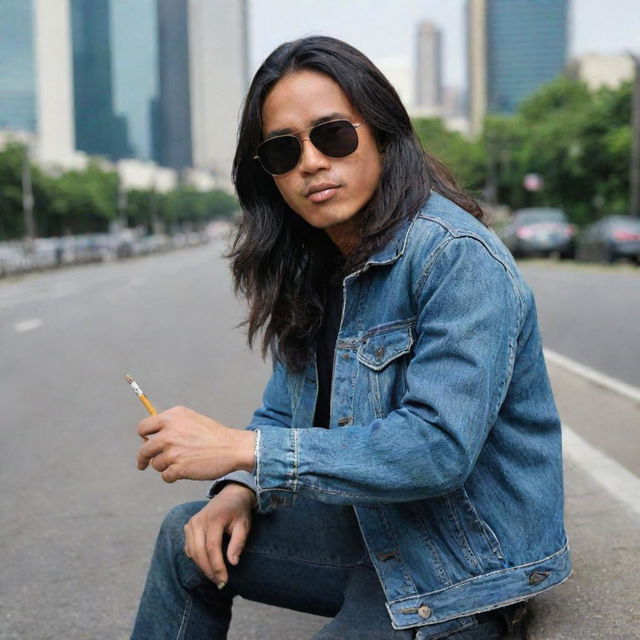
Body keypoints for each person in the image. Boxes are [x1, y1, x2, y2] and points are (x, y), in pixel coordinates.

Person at [130, 36, 571, 640]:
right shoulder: (316, 263)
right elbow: (283, 409)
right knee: (191, 539)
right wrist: (239, 489)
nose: (311, 162)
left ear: (383, 132)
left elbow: (437, 447)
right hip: (377, 533)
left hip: (466, 563)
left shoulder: (455, 257)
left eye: (332, 135)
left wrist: (243, 451)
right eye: (284, 151)